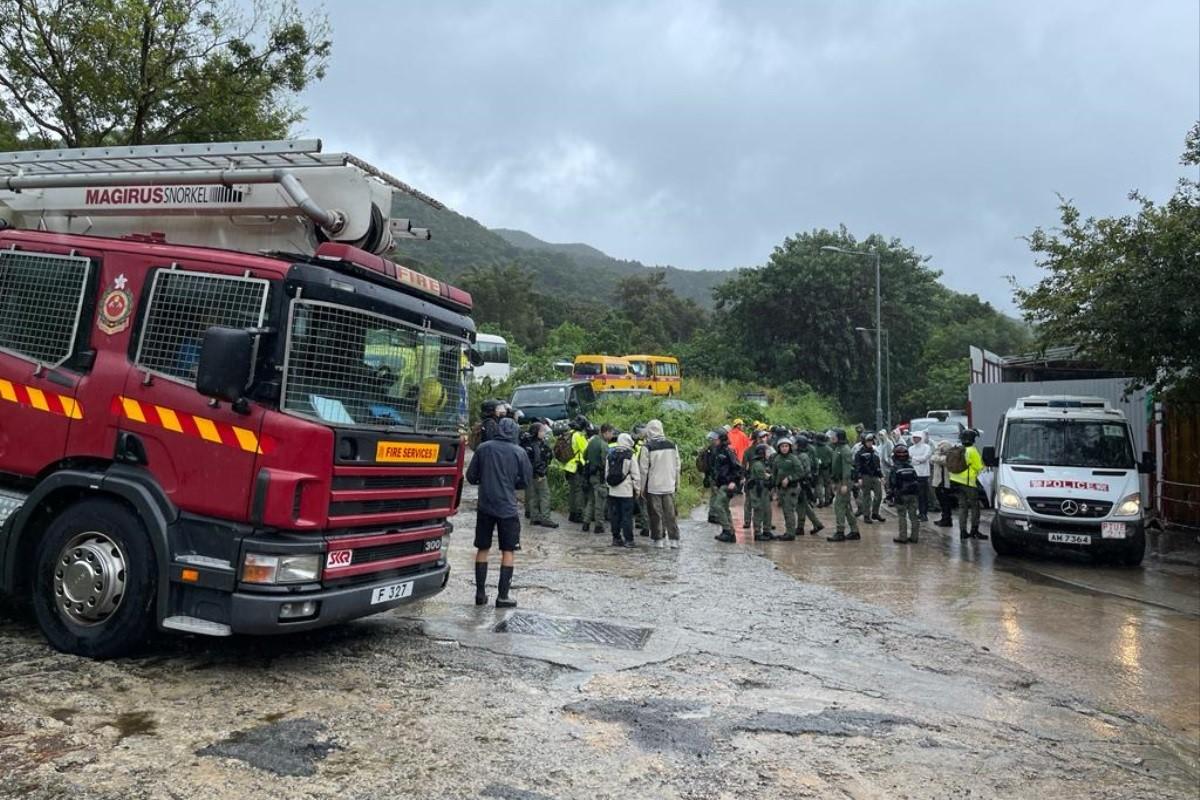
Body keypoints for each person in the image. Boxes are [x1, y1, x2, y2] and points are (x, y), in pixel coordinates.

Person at [465, 416, 531, 608]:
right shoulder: (519, 452)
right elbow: (525, 482)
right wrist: (510, 484)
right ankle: (503, 597)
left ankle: (480, 594)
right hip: (508, 508)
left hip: (485, 506)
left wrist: (485, 481)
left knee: (482, 548)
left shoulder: (484, 449)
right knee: (508, 550)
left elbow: (470, 477)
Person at [638, 419, 682, 549]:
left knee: (656, 514)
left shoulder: (647, 447)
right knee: (671, 513)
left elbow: (643, 470)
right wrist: (677, 483)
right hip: (669, 484)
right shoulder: (672, 444)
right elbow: (677, 466)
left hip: (654, 486)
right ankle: (674, 540)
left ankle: (659, 539)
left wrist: (641, 488)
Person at [950, 429, 987, 540]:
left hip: (955, 482)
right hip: (969, 483)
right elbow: (980, 467)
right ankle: (974, 530)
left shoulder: (957, 449)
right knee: (975, 506)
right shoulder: (972, 451)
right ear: (973, 439)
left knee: (962, 507)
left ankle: (962, 531)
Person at [606, 432, 641, 548]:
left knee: (615, 516)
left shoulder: (610, 454)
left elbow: (606, 473)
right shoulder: (630, 455)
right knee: (627, 517)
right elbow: (636, 476)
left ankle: (616, 539)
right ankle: (629, 540)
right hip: (626, 492)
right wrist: (637, 490)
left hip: (613, 491)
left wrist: (610, 486)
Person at [708, 431, 743, 543]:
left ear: (721, 439)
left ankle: (727, 530)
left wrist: (733, 481)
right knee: (724, 507)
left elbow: (737, 467)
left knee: (718, 506)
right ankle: (729, 531)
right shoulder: (717, 451)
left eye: (716, 439)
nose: (714, 441)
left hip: (727, 484)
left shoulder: (728, 451)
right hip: (721, 483)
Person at [521, 421, 558, 528]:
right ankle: (546, 518)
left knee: (533, 496)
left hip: (529, 474)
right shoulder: (537, 445)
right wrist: (541, 473)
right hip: (538, 475)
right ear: (536, 432)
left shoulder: (527, 443)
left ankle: (535, 517)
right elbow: (538, 461)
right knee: (545, 495)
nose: (544, 433)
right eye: (542, 431)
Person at [827, 428, 861, 542]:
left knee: (839, 506)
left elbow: (847, 469)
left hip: (844, 481)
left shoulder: (845, 450)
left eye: (834, 436)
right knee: (846, 507)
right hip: (839, 481)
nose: (832, 438)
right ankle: (854, 531)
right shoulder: (837, 448)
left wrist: (845, 484)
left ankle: (840, 531)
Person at [582, 423, 615, 534]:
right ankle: (598, 526)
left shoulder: (592, 441)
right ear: (606, 432)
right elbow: (605, 462)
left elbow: (584, 455)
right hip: (599, 476)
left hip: (590, 475)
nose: (612, 435)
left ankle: (586, 524)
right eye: (611, 433)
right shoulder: (604, 444)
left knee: (590, 500)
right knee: (600, 502)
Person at [888, 443, 921, 544]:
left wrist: (890, 495)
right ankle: (915, 537)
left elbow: (892, 484)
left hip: (901, 495)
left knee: (902, 516)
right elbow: (916, 479)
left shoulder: (895, 469)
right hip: (913, 495)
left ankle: (903, 537)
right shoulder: (911, 467)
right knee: (913, 516)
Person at [770, 437, 802, 540]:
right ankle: (788, 531)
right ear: (779, 448)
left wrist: (789, 478)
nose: (784, 448)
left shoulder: (793, 458)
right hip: (781, 489)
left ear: (790, 447)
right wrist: (774, 489)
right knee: (785, 510)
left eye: (786, 446)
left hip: (791, 488)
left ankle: (790, 533)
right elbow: (774, 474)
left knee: (789, 511)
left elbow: (800, 472)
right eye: (782, 446)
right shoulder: (777, 459)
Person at [793, 434, 825, 535]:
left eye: (795, 443)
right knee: (803, 505)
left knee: (801, 505)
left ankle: (801, 527)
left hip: (802, 483)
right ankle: (815, 524)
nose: (793, 444)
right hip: (802, 483)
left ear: (799, 445)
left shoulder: (802, 456)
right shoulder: (800, 455)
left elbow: (804, 471)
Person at [563, 415, 589, 523]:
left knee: (572, 491)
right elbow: (586, 450)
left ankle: (572, 514)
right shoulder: (578, 435)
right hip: (577, 467)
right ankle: (579, 514)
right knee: (579, 492)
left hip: (568, 466)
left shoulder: (568, 433)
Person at [854, 434, 885, 523]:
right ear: (864, 442)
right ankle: (866, 515)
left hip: (875, 476)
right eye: (868, 441)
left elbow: (877, 466)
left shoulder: (875, 452)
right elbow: (857, 466)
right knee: (866, 497)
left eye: (871, 441)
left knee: (879, 495)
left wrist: (881, 476)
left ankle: (875, 513)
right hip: (865, 476)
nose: (870, 443)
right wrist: (859, 477)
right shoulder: (859, 453)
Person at [746, 443, 773, 541]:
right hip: (758, 490)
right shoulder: (757, 464)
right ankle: (757, 533)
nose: (768, 453)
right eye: (767, 451)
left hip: (763, 490)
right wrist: (770, 476)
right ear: (762, 453)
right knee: (759, 510)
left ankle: (767, 531)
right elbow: (763, 476)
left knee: (767, 511)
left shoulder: (762, 463)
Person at [930, 440, 957, 527]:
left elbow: (939, 460)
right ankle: (944, 518)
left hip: (945, 483)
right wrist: (937, 455)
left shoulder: (950, 456)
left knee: (946, 502)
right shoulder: (940, 455)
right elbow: (932, 459)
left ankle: (947, 519)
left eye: (941, 447)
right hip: (938, 482)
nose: (940, 449)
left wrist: (937, 455)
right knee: (942, 501)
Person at [908, 430, 933, 521]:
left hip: (923, 474)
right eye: (914, 437)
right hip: (914, 474)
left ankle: (924, 513)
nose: (915, 439)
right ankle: (919, 512)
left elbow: (925, 458)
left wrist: (915, 459)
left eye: (917, 437)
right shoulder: (911, 448)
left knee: (923, 495)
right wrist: (917, 460)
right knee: (916, 495)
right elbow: (909, 459)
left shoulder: (927, 447)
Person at [631, 423, 650, 535]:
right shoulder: (646, 445)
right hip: (646, 476)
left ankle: (643, 524)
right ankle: (642, 522)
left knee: (640, 500)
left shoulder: (637, 446)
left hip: (638, 475)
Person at [813, 432, 834, 506]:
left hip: (818, 469)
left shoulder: (814, 448)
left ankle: (821, 500)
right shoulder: (829, 449)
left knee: (819, 485)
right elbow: (832, 460)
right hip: (827, 469)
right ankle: (827, 500)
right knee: (827, 485)